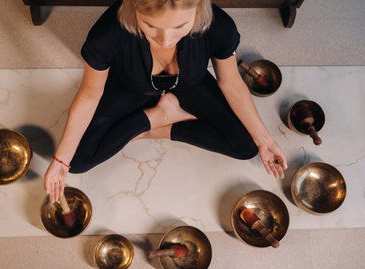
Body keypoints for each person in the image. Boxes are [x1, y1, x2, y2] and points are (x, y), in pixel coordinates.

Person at [44, 0, 288, 203]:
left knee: (246, 146)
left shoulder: (218, 25)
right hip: (130, 88)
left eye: (180, 26)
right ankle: (156, 116)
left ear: (199, 9)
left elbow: (232, 83)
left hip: (190, 85)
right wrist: (60, 160)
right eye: (151, 26)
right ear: (132, 8)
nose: (165, 39)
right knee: (75, 162)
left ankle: (163, 119)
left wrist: (265, 141)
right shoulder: (108, 33)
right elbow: (89, 94)